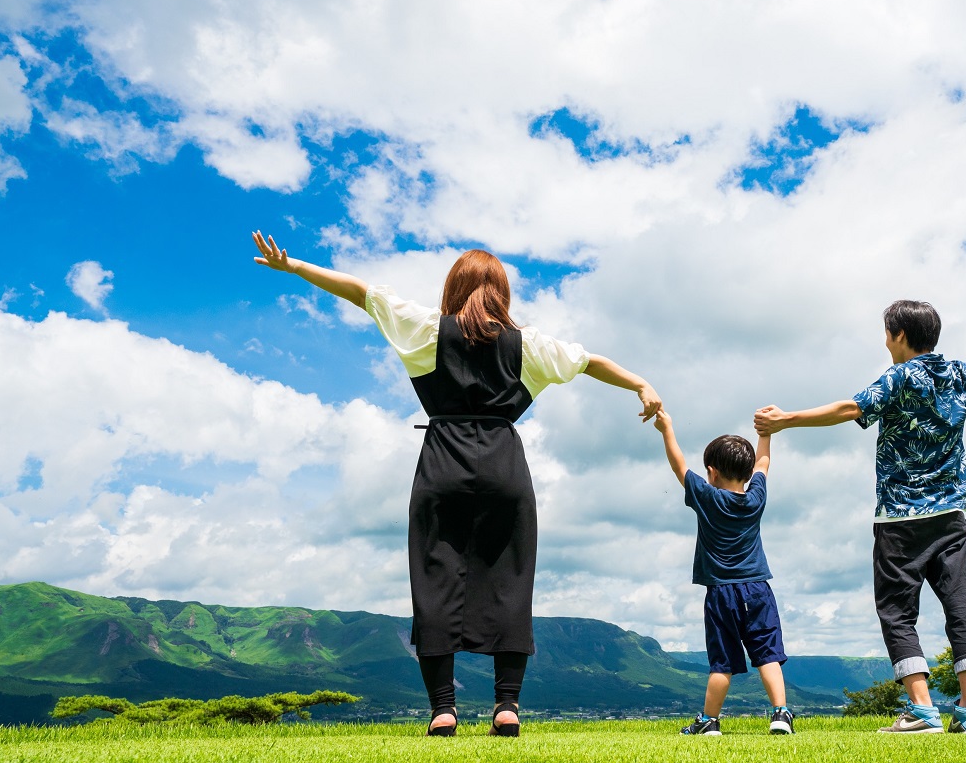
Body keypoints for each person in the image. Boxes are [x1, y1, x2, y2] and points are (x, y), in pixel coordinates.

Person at [251, 232, 662, 737]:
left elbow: (361, 292)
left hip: (442, 461)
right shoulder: (527, 345)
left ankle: (443, 708)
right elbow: (589, 361)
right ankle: (506, 705)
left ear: (453, 287)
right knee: (511, 579)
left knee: (435, 578)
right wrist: (641, 383)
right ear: (502, 293)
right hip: (503, 464)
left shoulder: (426, 329)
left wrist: (295, 267)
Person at [754, 295, 966, 734]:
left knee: (897, 612)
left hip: (900, 518)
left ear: (900, 335)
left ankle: (922, 710)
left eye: (887, 333)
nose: (885, 341)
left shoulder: (899, 377)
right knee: (960, 606)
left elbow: (850, 409)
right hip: (951, 513)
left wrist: (785, 420)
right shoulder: (961, 373)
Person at [651, 408, 793, 736]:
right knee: (767, 653)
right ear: (745, 473)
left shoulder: (707, 498)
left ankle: (709, 721)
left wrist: (666, 428)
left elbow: (678, 465)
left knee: (722, 662)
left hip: (721, 592)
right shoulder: (756, 497)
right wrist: (765, 432)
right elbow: (763, 463)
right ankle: (781, 714)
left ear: (711, 473)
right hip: (758, 589)